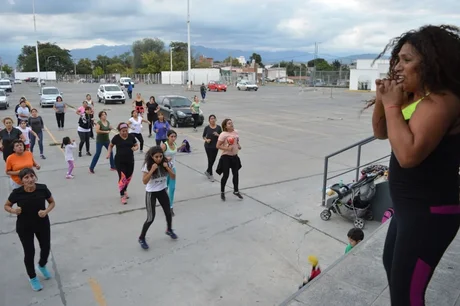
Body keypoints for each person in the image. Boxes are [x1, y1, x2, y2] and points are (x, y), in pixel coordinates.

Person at [367, 25, 460, 305]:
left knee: (407, 294)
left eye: (407, 60)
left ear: (433, 63)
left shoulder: (442, 101)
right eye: (397, 59)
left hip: (430, 213)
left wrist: (393, 106)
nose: (397, 66)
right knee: (392, 269)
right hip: (410, 209)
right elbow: (382, 132)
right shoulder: (416, 98)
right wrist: (384, 101)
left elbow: (407, 156)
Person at [4, 168, 55, 291]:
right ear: (21, 181)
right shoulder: (17, 193)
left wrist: (46, 211)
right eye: (26, 177)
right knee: (29, 252)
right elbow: (6, 205)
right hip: (24, 226)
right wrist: (13, 210)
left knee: (46, 247)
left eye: (32, 176)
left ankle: (42, 265)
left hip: (42, 223)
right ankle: (32, 277)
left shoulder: (42, 188)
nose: (30, 179)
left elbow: (52, 202)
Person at [138, 146, 178, 250]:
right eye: (156, 157)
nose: (159, 158)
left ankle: (169, 229)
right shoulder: (148, 165)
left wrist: (168, 167)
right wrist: (152, 170)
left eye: (160, 156)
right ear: (152, 156)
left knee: (168, 212)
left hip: (162, 190)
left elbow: (173, 177)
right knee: (151, 217)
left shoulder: (166, 163)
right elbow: (144, 181)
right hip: (151, 193)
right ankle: (141, 238)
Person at [107, 123, 138, 204]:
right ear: (119, 131)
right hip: (119, 161)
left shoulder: (131, 136)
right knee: (122, 178)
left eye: (126, 131)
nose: (125, 132)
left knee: (128, 178)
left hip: (130, 160)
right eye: (123, 131)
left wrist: (135, 148)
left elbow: (136, 145)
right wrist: (109, 153)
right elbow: (110, 145)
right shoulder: (116, 138)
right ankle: (122, 195)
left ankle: (124, 190)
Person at [216, 118, 243, 201]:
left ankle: (236, 190)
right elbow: (218, 146)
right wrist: (227, 149)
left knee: (236, 174)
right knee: (226, 175)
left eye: (231, 123)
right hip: (226, 157)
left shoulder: (236, 132)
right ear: (225, 126)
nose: (231, 124)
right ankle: (222, 192)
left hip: (234, 156)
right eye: (229, 123)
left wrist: (238, 146)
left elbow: (237, 141)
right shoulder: (223, 134)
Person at [160, 130, 185, 216]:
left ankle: (170, 207)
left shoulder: (174, 144)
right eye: (172, 136)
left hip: (172, 169)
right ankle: (164, 201)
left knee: (172, 188)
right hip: (164, 170)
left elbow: (174, 151)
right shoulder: (164, 145)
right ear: (168, 137)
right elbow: (158, 156)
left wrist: (181, 146)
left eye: (175, 136)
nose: (173, 138)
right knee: (164, 187)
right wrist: (165, 159)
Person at [202, 114, 222, 182]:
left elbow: (222, 136)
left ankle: (207, 171)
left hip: (216, 146)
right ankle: (211, 174)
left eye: (214, 118)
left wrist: (218, 135)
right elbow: (204, 136)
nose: (212, 120)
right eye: (211, 119)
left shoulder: (218, 127)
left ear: (215, 119)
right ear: (209, 120)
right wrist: (206, 140)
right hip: (208, 146)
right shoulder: (207, 128)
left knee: (213, 160)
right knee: (210, 160)